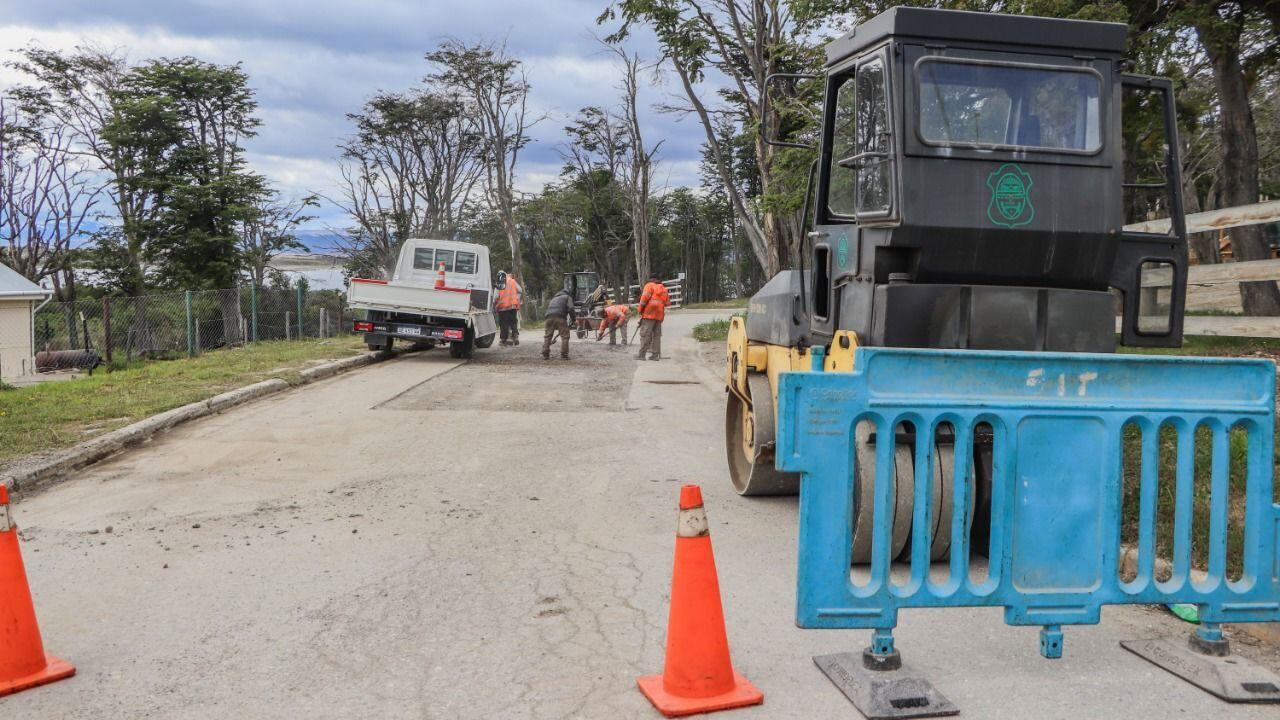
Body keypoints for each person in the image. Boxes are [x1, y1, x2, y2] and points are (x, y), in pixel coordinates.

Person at [636, 273, 670, 361]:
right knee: (657, 336)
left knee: (645, 334)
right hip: (659, 315)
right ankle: (655, 356)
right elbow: (667, 303)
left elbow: (644, 299)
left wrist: (640, 310)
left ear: (651, 279)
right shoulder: (663, 288)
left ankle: (641, 355)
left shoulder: (649, 285)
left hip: (649, 313)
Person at [542, 285, 577, 360]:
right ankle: (564, 355)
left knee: (548, 336)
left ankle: (545, 354)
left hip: (548, 318)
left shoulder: (554, 298)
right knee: (565, 336)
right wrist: (574, 319)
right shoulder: (567, 297)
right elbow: (571, 308)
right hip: (560, 317)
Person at [494, 270, 523, 346]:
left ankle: (504, 339)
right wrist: (517, 299)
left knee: (503, 323)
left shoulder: (499, 282)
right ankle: (515, 336)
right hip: (512, 306)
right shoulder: (512, 281)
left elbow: (496, 297)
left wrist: (494, 304)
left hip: (502, 307)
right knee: (513, 322)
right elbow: (520, 290)